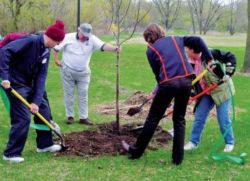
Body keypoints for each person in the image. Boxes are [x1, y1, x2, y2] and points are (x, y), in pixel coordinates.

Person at [121, 23, 213, 165]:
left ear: (149, 39)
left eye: (147, 40)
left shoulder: (150, 50)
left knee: (153, 118)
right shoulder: (176, 39)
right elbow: (199, 40)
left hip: (168, 83)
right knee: (179, 119)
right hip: (188, 80)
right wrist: (210, 59)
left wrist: (162, 93)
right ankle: (178, 158)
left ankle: (136, 151)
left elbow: (158, 75)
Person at [0, 20, 65, 163]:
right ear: (52, 38)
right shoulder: (31, 41)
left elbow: (42, 77)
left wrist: (36, 101)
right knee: (23, 118)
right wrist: (4, 76)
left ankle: (45, 144)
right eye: (58, 42)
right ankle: (11, 154)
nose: (57, 46)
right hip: (15, 84)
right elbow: (5, 51)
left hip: (31, 83)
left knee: (44, 110)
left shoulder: (46, 52)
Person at [53, 23, 120, 125]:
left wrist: (114, 49)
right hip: (67, 71)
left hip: (83, 73)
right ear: (78, 31)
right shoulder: (68, 37)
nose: (85, 37)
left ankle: (83, 118)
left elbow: (103, 45)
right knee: (69, 94)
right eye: (83, 35)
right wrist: (56, 60)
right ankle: (70, 116)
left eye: (87, 36)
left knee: (83, 94)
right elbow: (56, 47)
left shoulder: (92, 39)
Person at [184, 48, 236, 152]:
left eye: (187, 50)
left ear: (193, 50)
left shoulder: (210, 54)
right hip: (207, 92)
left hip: (222, 91)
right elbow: (194, 81)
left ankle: (229, 142)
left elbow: (230, 55)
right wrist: (191, 96)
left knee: (223, 119)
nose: (186, 52)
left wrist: (228, 73)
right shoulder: (191, 62)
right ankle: (193, 142)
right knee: (199, 116)